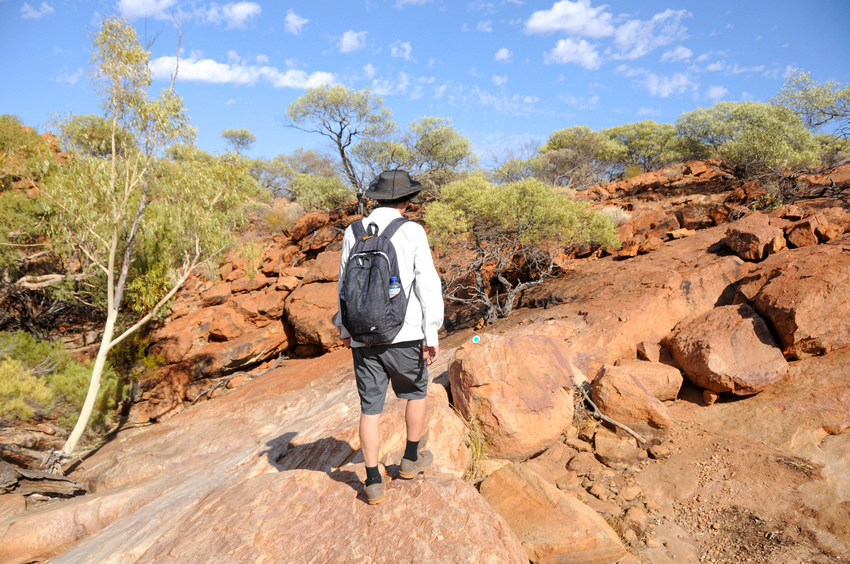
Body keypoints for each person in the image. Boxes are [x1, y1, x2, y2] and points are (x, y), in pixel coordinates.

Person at [334, 170, 444, 505]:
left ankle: (372, 481)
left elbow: (343, 284)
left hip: (362, 337)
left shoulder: (353, 231)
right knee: (415, 393)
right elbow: (427, 283)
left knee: (370, 409)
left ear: (375, 198)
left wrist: (344, 328)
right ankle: (410, 460)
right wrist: (431, 331)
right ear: (407, 201)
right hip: (405, 333)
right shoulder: (411, 230)